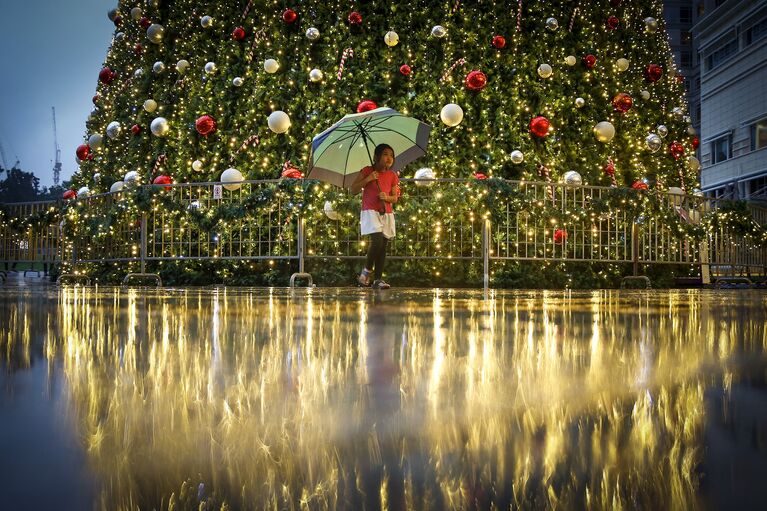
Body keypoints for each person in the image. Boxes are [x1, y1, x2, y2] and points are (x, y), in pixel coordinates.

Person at [350, 144, 400, 290]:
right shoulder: (367, 170)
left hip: (386, 212)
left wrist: (387, 197)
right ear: (377, 156)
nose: (389, 158)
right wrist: (368, 179)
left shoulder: (392, 175)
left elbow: (395, 198)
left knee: (383, 245)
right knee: (377, 240)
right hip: (370, 210)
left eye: (391, 155)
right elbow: (353, 189)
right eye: (385, 154)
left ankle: (378, 279)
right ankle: (366, 271)